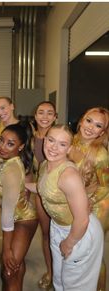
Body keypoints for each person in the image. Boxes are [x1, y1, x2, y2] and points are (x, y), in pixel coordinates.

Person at [26, 124, 104, 291]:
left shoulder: (68, 176)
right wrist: (22, 185)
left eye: (62, 144)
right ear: (44, 140)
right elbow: (44, 187)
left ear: (69, 148)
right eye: (51, 140)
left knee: (74, 285)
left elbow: (82, 219)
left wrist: (69, 242)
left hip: (78, 232)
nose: (54, 147)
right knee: (59, 281)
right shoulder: (45, 164)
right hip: (58, 227)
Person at [0, 123, 38, 291]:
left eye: (10, 144)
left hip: (23, 220)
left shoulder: (11, 169)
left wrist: (6, 249)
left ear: (21, 146)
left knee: (9, 271)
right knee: (16, 266)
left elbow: (7, 214)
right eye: (1, 140)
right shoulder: (5, 160)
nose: (3, 147)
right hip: (16, 218)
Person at [68, 107, 109, 291]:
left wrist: (89, 201)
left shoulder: (101, 154)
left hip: (98, 204)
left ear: (103, 131)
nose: (91, 127)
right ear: (81, 120)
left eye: (98, 125)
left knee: (93, 254)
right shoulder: (71, 140)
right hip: (76, 200)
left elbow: (105, 186)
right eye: (89, 121)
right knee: (76, 249)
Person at [32, 101, 57, 289]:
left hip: (60, 192)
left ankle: (62, 273)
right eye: (41, 112)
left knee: (62, 235)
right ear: (35, 115)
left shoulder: (63, 137)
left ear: (55, 117)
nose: (45, 116)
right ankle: (50, 271)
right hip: (39, 192)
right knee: (47, 234)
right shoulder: (30, 138)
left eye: (50, 113)